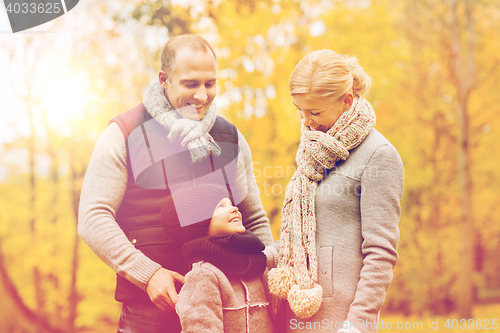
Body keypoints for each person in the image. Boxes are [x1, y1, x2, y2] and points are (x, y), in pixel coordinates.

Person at [78, 35, 277, 333]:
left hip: (228, 310)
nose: (202, 95)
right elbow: (93, 218)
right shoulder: (123, 133)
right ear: (164, 79)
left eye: (210, 84)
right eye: (190, 84)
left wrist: (268, 280)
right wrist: (149, 274)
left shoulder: (231, 138)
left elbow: (254, 218)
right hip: (151, 309)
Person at [267, 50, 404, 333]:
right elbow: (300, 236)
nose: (305, 121)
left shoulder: (379, 156)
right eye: (300, 110)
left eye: (314, 112)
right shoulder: (313, 151)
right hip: (293, 312)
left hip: (339, 321)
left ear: (347, 101)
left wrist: (357, 324)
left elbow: (380, 252)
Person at [160, 184, 274, 333]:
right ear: (200, 225)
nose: (234, 209)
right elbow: (200, 327)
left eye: (231, 204)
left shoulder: (255, 263)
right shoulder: (203, 276)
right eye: (221, 206)